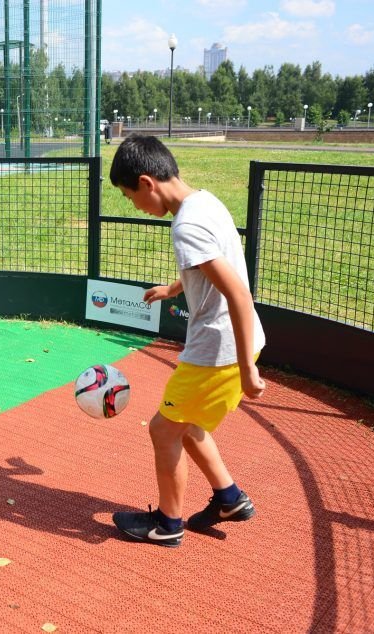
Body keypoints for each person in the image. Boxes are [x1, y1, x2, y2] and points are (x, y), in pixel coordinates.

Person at [107, 135, 266, 547]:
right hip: (234, 344)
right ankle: (229, 498)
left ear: (147, 183)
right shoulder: (204, 202)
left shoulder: (186, 226)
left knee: (163, 430)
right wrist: (175, 288)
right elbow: (218, 263)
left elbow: (238, 293)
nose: (136, 207)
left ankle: (167, 524)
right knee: (189, 424)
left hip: (218, 350)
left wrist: (248, 367)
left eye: (130, 198)